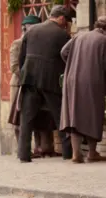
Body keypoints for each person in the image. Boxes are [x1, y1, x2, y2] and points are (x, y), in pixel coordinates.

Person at [17, 5, 73, 162]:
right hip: (50, 79)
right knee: (60, 116)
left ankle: (23, 155)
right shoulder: (62, 34)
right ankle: (68, 153)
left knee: (26, 118)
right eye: (66, 21)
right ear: (61, 18)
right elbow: (67, 58)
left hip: (29, 77)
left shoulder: (32, 30)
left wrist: (24, 74)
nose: (66, 24)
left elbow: (22, 57)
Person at [8, 15, 57, 158]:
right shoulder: (17, 43)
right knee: (18, 118)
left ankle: (40, 148)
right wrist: (28, 77)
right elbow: (14, 66)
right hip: (19, 84)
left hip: (34, 84)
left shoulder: (35, 43)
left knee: (39, 116)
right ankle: (22, 150)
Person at [60, 16, 106, 163]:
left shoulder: (79, 35)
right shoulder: (103, 40)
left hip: (71, 79)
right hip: (93, 80)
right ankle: (92, 153)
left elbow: (63, 52)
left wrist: (74, 64)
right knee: (93, 114)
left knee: (74, 114)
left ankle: (76, 154)